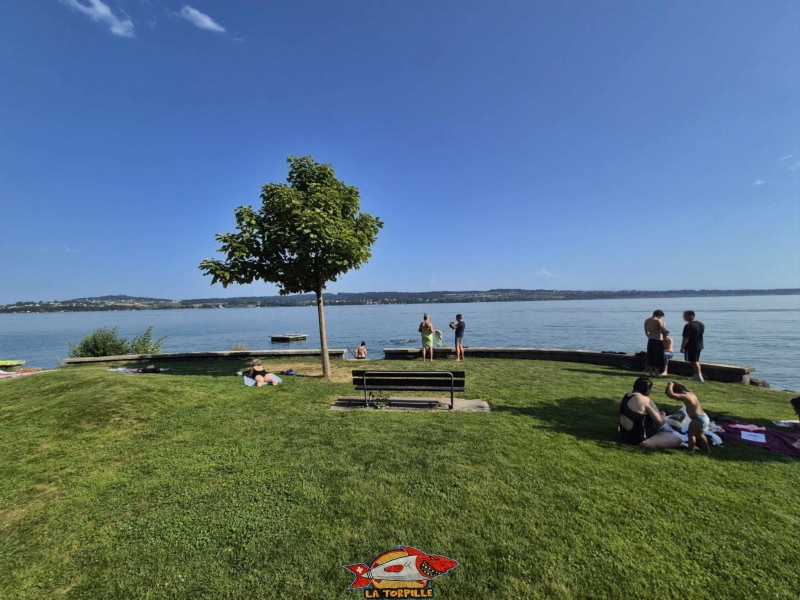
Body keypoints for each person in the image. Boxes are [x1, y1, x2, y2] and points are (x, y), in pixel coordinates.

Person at [619, 377, 682, 449]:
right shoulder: (645, 400)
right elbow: (660, 422)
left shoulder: (626, 396)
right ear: (647, 389)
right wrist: (663, 414)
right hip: (640, 440)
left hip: (625, 435)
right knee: (677, 439)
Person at [665, 381, 710, 453]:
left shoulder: (685, 396)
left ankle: (690, 450)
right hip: (704, 417)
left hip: (697, 418)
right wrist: (675, 383)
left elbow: (671, 394)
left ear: (678, 392)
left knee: (691, 434)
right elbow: (683, 386)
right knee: (700, 434)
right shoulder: (690, 393)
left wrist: (670, 384)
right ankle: (707, 450)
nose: (677, 399)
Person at [681, 310, 705, 382]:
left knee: (693, 361)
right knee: (696, 360)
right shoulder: (701, 324)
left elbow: (686, 338)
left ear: (691, 315)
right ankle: (697, 375)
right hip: (699, 345)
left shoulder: (688, 326)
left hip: (691, 346)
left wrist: (682, 347)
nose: (683, 317)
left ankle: (698, 376)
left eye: (685, 316)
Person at [643, 310, 668, 377]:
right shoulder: (658, 321)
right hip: (658, 340)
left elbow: (646, 331)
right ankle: (657, 373)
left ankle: (651, 372)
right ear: (659, 315)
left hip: (650, 340)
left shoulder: (647, 321)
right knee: (657, 357)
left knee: (650, 357)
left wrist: (649, 337)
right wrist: (664, 326)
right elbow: (663, 331)